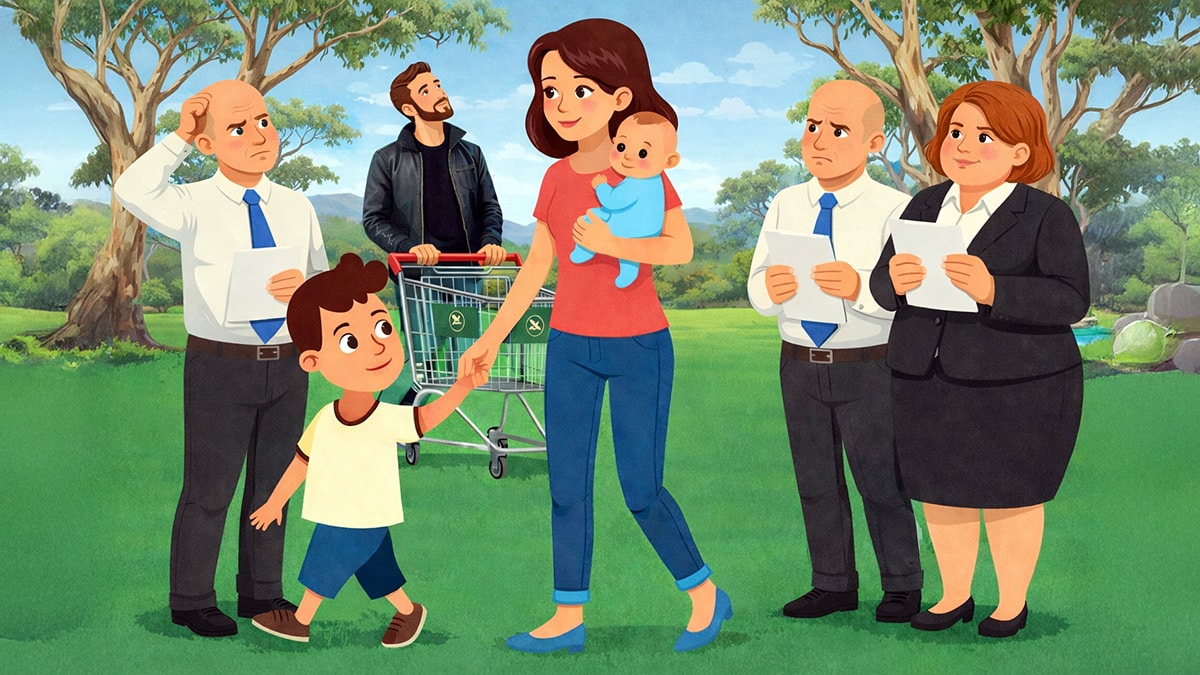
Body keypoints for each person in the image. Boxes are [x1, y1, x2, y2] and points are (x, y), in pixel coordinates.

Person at [458, 18, 730, 654]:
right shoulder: (556, 178)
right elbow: (537, 267)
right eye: (550, 90)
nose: (561, 104)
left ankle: (704, 594)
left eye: (580, 90)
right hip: (569, 348)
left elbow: (680, 247)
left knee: (641, 489)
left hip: (639, 346)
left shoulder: (642, 164)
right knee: (566, 488)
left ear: (619, 96)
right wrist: (490, 338)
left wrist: (613, 242)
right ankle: (567, 616)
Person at [869, 80, 1089, 638]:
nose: (963, 145)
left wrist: (994, 290)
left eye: (984, 136)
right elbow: (881, 283)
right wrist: (893, 281)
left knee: (1011, 496)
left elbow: (1071, 299)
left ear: (1020, 152)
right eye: (955, 132)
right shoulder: (922, 205)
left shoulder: (1045, 214)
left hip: (1018, 383)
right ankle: (954, 596)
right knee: (940, 491)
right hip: (924, 375)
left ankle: (1011, 603)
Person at [114, 80, 328, 637]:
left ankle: (262, 592)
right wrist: (180, 136)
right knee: (209, 488)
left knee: (273, 485)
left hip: (288, 362)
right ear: (207, 145)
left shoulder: (298, 207)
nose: (258, 136)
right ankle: (191, 600)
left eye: (263, 121)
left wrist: (306, 289)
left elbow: (325, 284)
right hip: (219, 365)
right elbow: (131, 188)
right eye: (237, 128)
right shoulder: (191, 204)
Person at [747, 80, 923, 623]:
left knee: (882, 480)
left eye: (838, 129)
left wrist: (860, 287)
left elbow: (913, 295)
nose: (819, 140)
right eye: (812, 125)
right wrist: (768, 290)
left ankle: (902, 585)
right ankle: (832, 583)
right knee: (815, 481)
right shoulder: (786, 203)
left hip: (869, 365)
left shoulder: (895, 209)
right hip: (799, 363)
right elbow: (757, 282)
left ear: (874, 143)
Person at [246, 253, 485, 645]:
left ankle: (301, 620)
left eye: (383, 327)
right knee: (377, 569)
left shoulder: (385, 416)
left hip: (363, 514)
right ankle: (408, 611)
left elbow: (426, 418)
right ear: (313, 360)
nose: (377, 346)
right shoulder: (326, 418)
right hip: (341, 510)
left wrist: (462, 386)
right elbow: (302, 461)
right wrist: (276, 502)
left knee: (326, 557)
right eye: (350, 341)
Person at [362, 61, 506, 404]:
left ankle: (416, 419)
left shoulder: (471, 154)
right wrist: (409, 248)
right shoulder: (387, 159)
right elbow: (373, 219)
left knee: (462, 361)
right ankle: (388, 420)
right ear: (409, 109)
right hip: (418, 277)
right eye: (426, 90)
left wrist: (490, 242)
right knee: (420, 358)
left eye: (437, 85)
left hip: (465, 274)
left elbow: (490, 207)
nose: (439, 93)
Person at [569, 111, 681, 288]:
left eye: (642, 153)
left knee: (591, 217)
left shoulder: (637, 182)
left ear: (669, 161)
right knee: (628, 251)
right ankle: (629, 271)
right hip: (649, 228)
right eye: (621, 147)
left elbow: (612, 201)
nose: (628, 156)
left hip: (629, 227)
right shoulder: (654, 179)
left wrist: (601, 186)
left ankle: (584, 249)